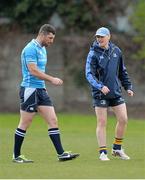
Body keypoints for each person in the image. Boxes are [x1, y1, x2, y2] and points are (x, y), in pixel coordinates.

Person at [12, 24, 79, 163]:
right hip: (30, 89)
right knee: (25, 122)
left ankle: (61, 154)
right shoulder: (30, 48)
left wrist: (44, 87)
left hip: (41, 90)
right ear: (42, 34)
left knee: (53, 120)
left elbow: (40, 70)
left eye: (53, 38)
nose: (51, 41)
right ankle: (16, 156)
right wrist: (52, 79)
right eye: (50, 38)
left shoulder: (43, 49)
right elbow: (33, 71)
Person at [85, 27, 134, 161]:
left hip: (115, 92)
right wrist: (100, 86)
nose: (99, 39)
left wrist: (128, 86)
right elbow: (89, 74)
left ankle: (117, 149)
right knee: (102, 122)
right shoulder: (93, 53)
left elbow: (122, 72)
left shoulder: (116, 51)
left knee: (123, 119)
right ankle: (103, 152)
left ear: (109, 37)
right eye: (97, 37)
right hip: (100, 94)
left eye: (102, 36)